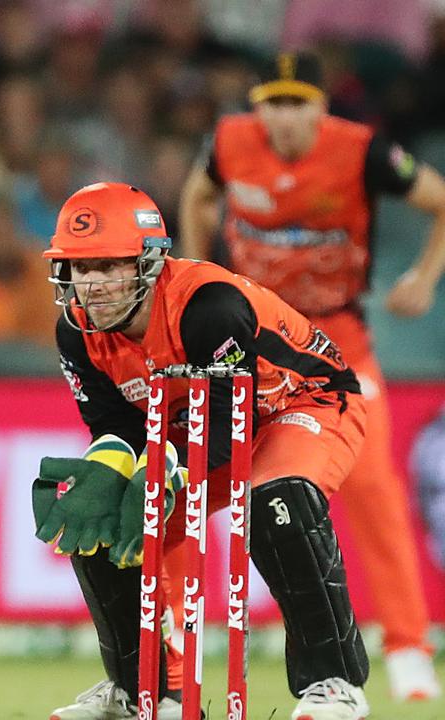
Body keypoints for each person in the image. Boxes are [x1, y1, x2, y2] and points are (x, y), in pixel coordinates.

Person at [34, 182, 371, 720]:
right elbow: (114, 423)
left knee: (273, 499)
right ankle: (145, 690)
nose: (91, 286)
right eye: (79, 268)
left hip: (301, 403)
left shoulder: (207, 306)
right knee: (105, 522)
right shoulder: (77, 331)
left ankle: (334, 683)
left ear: (147, 263)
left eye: (107, 266)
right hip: (201, 430)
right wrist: (111, 474)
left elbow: (222, 421)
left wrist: (163, 466)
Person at [179, 50, 445, 702]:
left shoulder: (362, 152)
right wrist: (195, 274)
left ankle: (408, 648)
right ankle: (180, 648)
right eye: (274, 102)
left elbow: (443, 200)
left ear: (320, 108)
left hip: (337, 342)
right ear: (258, 105)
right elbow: (197, 194)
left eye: (299, 103)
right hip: (252, 341)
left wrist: (423, 277)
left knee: (372, 488)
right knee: (223, 486)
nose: (286, 118)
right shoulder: (230, 142)